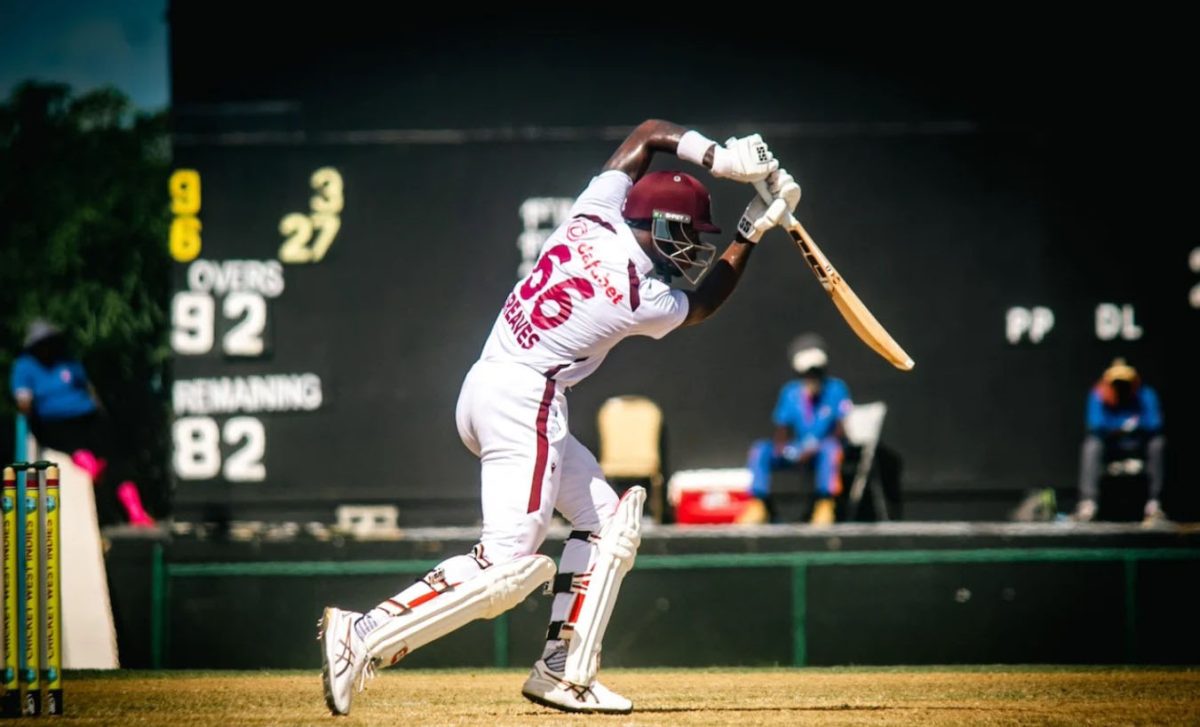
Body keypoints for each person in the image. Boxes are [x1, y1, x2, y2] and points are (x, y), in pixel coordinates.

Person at [318, 120, 800, 716]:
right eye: (690, 231)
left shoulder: (592, 214)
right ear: (662, 226)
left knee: (607, 523)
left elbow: (648, 133)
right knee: (506, 566)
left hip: (486, 380)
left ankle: (562, 671)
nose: (696, 245)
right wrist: (752, 229)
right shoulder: (636, 295)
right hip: (527, 400)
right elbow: (700, 304)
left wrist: (717, 159)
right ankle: (362, 634)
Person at [8, 319, 155, 527]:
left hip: (86, 416)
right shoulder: (25, 367)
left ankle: (136, 511)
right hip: (53, 421)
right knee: (70, 442)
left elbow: (88, 389)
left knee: (116, 458)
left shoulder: (67, 363)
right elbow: (23, 400)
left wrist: (100, 412)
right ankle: (89, 464)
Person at [745, 334, 852, 525]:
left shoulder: (836, 389)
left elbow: (840, 430)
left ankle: (825, 504)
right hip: (798, 449)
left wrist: (815, 447)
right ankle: (758, 504)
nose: (812, 377)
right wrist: (784, 448)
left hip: (821, 448)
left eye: (816, 372)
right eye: (807, 373)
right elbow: (782, 428)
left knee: (831, 449)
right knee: (761, 449)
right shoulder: (791, 392)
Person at [1074, 358, 1166, 523]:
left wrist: (1133, 428)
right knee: (1091, 445)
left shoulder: (1145, 394)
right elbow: (1096, 425)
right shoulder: (1099, 394)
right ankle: (1088, 503)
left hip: (1137, 443)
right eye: (1117, 382)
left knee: (1157, 444)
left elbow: (1154, 424)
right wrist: (1121, 428)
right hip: (1111, 445)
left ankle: (1154, 503)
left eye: (1125, 382)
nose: (1121, 386)